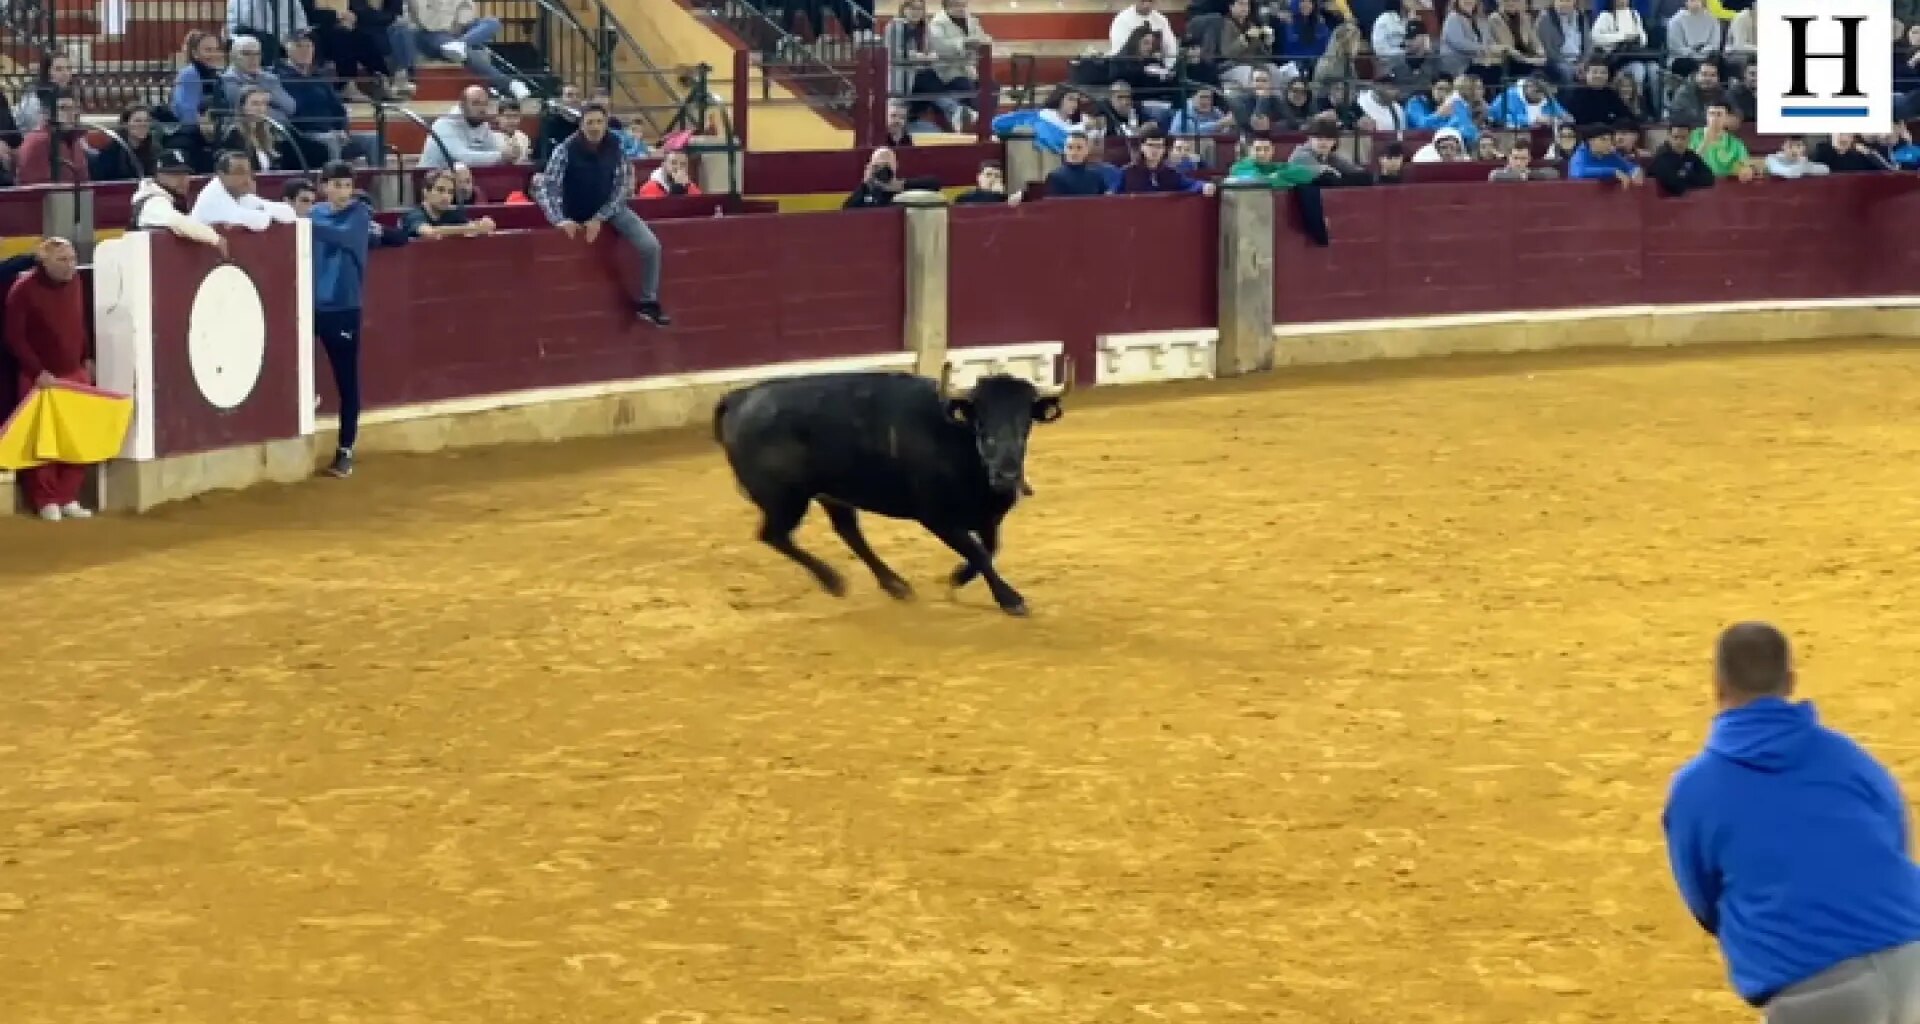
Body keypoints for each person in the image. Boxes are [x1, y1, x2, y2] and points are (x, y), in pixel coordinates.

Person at [1664, 622, 1920, 1023]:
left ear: (1717, 687)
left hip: (1813, 987)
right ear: (1791, 681)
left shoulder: (1695, 788)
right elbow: (1897, 839)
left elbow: (1704, 900)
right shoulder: (1850, 758)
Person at [309, 161, 405, 479]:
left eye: (346, 185)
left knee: (346, 380)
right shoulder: (314, 214)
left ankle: (345, 449)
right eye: (335, 185)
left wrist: (294, 222)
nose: (341, 192)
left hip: (343, 308)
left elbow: (339, 237)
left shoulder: (358, 215)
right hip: (309, 306)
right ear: (324, 187)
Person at [536, 102, 670, 326]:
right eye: (590, 122)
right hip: (573, 211)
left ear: (607, 124)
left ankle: (649, 303)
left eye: (599, 122)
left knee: (651, 246)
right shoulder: (565, 149)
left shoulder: (616, 146)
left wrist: (599, 217)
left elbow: (622, 186)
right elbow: (547, 186)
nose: (595, 127)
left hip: (609, 210)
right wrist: (559, 219)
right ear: (581, 125)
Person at [4, 238, 92, 521]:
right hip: (40, 378)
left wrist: (87, 357)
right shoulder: (22, 290)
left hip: (74, 373)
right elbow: (15, 338)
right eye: (62, 260)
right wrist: (37, 371)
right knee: (43, 442)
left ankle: (68, 495)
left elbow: (80, 322)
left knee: (76, 436)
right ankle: (45, 499)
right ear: (43, 263)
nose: (70, 266)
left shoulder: (77, 282)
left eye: (72, 259)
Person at [130, 149, 227, 253]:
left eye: (186, 174)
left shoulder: (172, 199)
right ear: (158, 175)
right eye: (175, 174)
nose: (183, 180)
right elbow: (177, 222)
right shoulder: (152, 201)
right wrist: (215, 238)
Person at [190, 150, 299, 230]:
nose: (247, 178)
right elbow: (253, 221)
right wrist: (266, 214)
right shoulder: (212, 195)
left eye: (248, 172)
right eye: (239, 172)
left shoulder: (239, 194)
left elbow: (289, 212)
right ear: (221, 175)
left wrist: (262, 210)